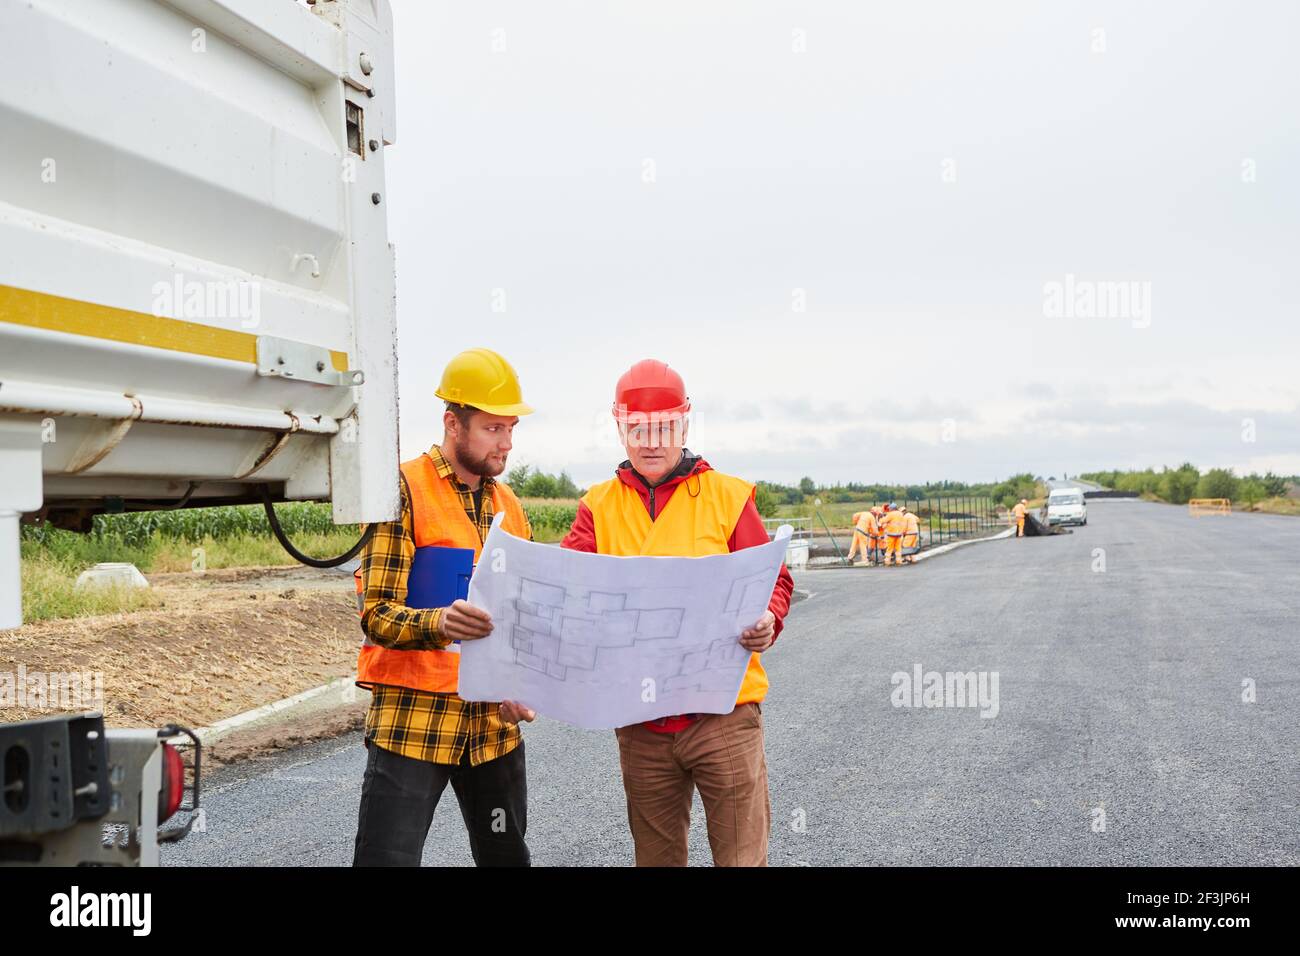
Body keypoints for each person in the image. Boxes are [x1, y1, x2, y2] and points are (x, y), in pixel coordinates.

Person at [560, 359, 794, 866]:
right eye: (638, 429)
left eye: (665, 427)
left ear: (684, 425)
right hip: (641, 724)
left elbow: (774, 578)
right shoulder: (597, 507)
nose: (651, 442)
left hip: (725, 716)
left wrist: (767, 620)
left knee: (741, 859)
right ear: (619, 427)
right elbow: (564, 591)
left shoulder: (728, 497)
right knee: (657, 859)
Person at [351, 348, 538, 867]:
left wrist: (520, 687)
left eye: (510, 428)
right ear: (452, 423)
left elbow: (522, 619)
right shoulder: (403, 489)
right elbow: (377, 614)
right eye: (492, 428)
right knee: (385, 861)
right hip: (415, 722)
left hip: (492, 729)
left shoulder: (512, 507)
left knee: (507, 861)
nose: (505, 443)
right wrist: (440, 623)